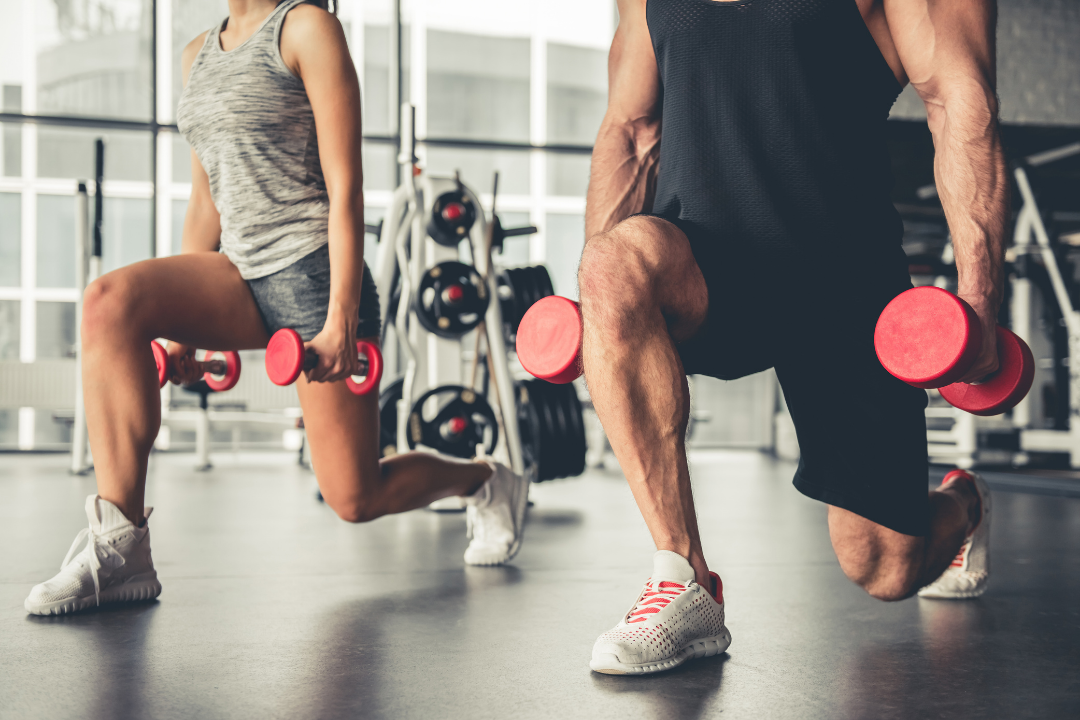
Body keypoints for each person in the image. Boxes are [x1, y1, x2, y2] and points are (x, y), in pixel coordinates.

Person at [24, 0, 529, 617]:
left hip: (311, 273)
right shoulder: (198, 54)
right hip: (235, 270)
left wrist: (341, 316)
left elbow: (345, 186)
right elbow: (205, 200)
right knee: (109, 302)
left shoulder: (306, 28)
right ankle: (121, 542)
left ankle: (484, 479)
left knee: (354, 496)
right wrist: (181, 336)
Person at [583, 0, 1005, 674]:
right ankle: (683, 577)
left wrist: (979, 302)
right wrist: (596, 308)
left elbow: (958, 100)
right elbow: (632, 131)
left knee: (883, 564)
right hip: (706, 267)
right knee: (610, 262)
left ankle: (964, 504)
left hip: (845, 285)